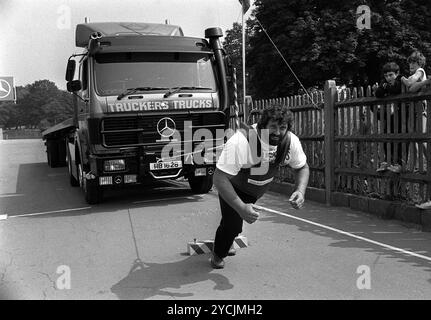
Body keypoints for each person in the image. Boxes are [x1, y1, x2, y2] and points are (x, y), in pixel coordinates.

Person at [210, 105, 310, 269]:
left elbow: (302, 167)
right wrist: (241, 207)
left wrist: (300, 190)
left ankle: (229, 238)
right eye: (273, 127)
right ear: (263, 124)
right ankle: (217, 254)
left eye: (282, 128)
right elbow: (219, 178)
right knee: (232, 224)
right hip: (231, 186)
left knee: (235, 224)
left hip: (255, 191)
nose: (277, 132)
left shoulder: (290, 141)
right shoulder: (241, 141)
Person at [372, 62, 403, 173]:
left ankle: (399, 163)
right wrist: (384, 87)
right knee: (386, 137)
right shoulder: (384, 82)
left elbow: (396, 88)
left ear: (397, 73)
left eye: (391, 75)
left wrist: (386, 87)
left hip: (401, 115)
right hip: (390, 116)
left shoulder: (401, 79)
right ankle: (387, 161)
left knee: (399, 139)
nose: (388, 78)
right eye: (386, 76)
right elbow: (378, 93)